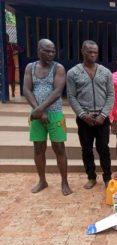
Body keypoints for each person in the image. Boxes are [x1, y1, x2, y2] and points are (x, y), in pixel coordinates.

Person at [22, 39, 72, 196]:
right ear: (38, 51)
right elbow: (26, 89)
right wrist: (38, 112)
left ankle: (64, 182)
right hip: (36, 115)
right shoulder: (30, 67)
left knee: (59, 148)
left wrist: (41, 110)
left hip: (55, 113)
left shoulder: (59, 68)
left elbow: (58, 91)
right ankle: (42, 180)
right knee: (38, 148)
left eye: (53, 51)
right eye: (47, 51)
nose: (50, 54)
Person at [67, 40, 115, 189]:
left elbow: (111, 95)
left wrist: (103, 115)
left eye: (95, 52)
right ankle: (91, 177)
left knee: (103, 148)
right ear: (82, 51)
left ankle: (107, 177)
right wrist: (82, 114)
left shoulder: (105, 72)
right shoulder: (73, 72)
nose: (93, 55)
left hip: (102, 118)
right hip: (84, 119)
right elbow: (71, 96)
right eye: (90, 52)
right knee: (86, 149)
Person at [6, 33, 23, 98]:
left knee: (11, 80)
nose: (6, 39)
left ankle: (13, 93)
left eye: (7, 38)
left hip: (10, 65)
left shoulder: (11, 45)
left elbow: (21, 50)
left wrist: (14, 54)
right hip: (2, 65)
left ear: (8, 38)